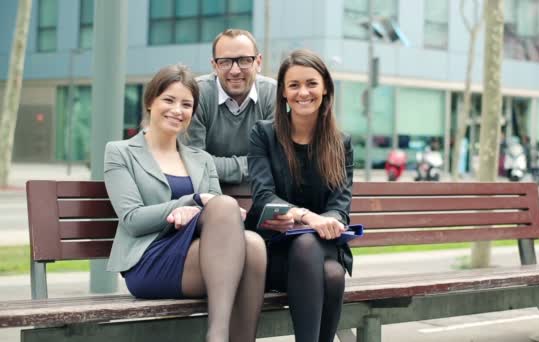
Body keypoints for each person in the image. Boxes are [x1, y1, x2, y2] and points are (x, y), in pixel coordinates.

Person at [104, 65, 266, 342]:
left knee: (253, 244)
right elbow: (132, 219)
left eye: (186, 104)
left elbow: (217, 209)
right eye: (169, 100)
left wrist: (207, 210)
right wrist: (189, 202)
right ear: (150, 102)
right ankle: (217, 336)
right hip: (149, 259)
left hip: (200, 256)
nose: (177, 110)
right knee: (229, 215)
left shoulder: (201, 159)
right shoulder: (120, 152)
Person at [247, 49, 354, 342]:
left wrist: (328, 221)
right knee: (332, 276)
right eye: (294, 85)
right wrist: (307, 217)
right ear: (283, 92)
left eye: (311, 83)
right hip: (276, 252)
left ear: (325, 89)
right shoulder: (263, 135)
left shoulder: (340, 143)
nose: (303, 92)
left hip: (323, 244)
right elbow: (263, 196)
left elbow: (340, 205)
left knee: (311, 246)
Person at [185, 29, 277, 184]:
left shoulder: (273, 94)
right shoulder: (196, 95)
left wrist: (212, 167)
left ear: (258, 62)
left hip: (262, 193)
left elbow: (276, 161)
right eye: (225, 62)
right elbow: (194, 163)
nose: (235, 70)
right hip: (206, 193)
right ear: (214, 65)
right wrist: (257, 164)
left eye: (245, 60)